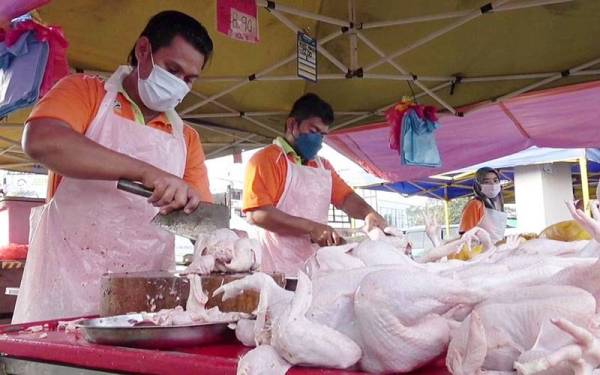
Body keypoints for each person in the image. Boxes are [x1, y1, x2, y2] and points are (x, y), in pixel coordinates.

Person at [13, 11, 213, 323]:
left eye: (189, 79)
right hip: (64, 291)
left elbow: (204, 227)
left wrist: (220, 238)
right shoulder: (85, 93)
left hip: (144, 306)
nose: (179, 85)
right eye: (172, 70)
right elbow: (42, 140)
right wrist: (146, 172)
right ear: (143, 50)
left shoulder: (187, 139)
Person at [242, 93, 387, 275]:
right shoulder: (266, 160)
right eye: (313, 131)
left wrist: (368, 213)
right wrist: (312, 228)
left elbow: (346, 198)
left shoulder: (322, 166)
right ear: (292, 125)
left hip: (317, 269)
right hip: (276, 271)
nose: (318, 140)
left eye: (323, 134)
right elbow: (257, 214)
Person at [459, 167, 507, 243]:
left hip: (498, 251)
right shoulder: (475, 204)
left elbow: (496, 235)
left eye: (495, 181)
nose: (493, 185)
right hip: (482, 252)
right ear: (478, 185)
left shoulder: (498, 204)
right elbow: (465, 236)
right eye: (486, 182)